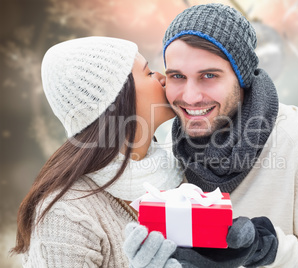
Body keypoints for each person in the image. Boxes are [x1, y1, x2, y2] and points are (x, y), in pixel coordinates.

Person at [136, 3, 298, 267]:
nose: (190, 97)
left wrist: (266, 250)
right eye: (177, 76)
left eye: (209, 75)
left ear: (241, 77)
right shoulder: (167, 153)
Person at [10, 36, 184, 267]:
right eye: (148, 73)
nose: (162, 78)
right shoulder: (66, 215)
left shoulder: (177, 175)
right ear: (118, 102)